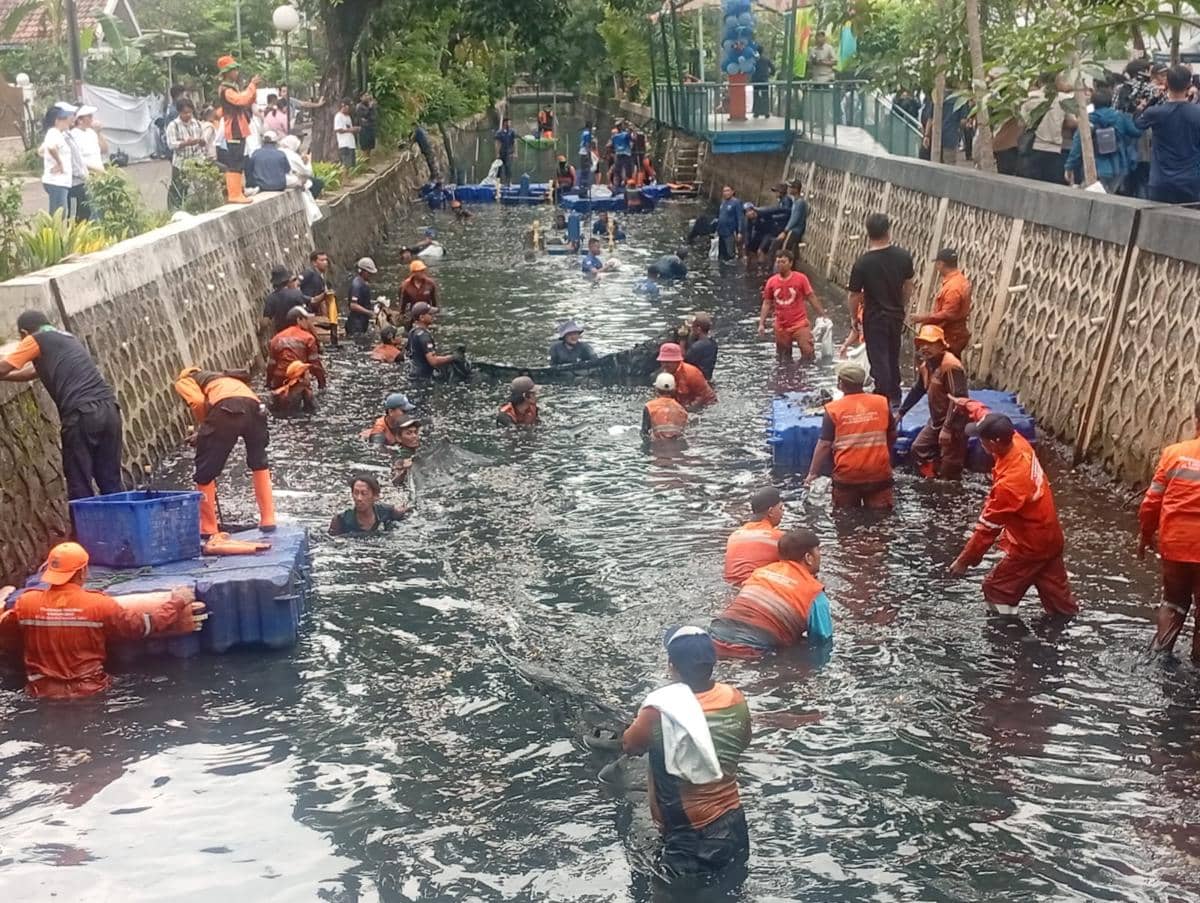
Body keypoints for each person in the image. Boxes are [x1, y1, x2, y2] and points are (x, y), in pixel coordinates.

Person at [619, 625, 752, 880]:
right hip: (735, 823)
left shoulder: (660, 710)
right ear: (712, 664)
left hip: (690, 838)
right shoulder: (735, 698)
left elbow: (630, 746)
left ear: (672, 666)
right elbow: (743, 741)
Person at [0, 544, 204, 699]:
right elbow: (143, 626)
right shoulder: (99, 604)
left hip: (41, 693)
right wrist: (178, 602)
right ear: (83, 572)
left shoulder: (25, 603)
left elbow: (7, 638)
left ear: (50, 571)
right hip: (90, 692)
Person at [949, 414, 1078, 617]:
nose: (979, 441)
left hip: (1030, 547)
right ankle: (1066, 628)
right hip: (1051, 538)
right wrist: (968, 405)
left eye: (982, 439)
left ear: (994, 443)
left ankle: (1008, 633)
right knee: (1060, 603)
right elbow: (985, 413)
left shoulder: (1010, 484)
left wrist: (964, 561)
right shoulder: (1017, 441)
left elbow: (988, 528)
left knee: (996, 589)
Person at [0, 309, 122, 499]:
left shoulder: (34, 339)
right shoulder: (67, 338)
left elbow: (4, 367)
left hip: (81, 414)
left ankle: (85, 519)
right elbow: (31, 373)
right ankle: (120, 518)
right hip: (110, 409)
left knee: (79, 482)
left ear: (24, 333)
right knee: (110, 481)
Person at [173, 366, 275, 535]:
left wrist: (204, 429)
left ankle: (208, 527)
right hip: (256, 408)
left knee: (205, 470)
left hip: (227, 408)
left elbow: (197, 402)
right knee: (259, 462)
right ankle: (268, 519)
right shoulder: (222, 379)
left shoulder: (184, 381)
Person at [1138, 400, 1200, 658]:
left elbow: (1151, 502)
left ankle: (1158, 657)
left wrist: (1145, 535)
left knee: (1173, 602)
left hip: (1175, 544)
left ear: (1196, 420)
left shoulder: (1174, 454)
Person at [710, 529, 834, 657]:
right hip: (754, 649)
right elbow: (822, 641)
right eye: (818, 551)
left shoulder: (760, 573)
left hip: (715, 637)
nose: (820, 556)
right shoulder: (814, 592)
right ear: (808, 558)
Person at [807, 361, 896, 508]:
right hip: (878, 473)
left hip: (848, 476)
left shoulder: (833, 409)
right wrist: (883, 454)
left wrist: (812, 474)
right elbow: (892, 434)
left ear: (840, 383)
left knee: (844, 516)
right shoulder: (882, 402)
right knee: (881, 516)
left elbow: (824, 445)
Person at [848, 213, 914, 408]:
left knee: (878, 358)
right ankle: (895, 395)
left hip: (875, 317)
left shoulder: (863, 263)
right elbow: (908, 285)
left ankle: (882, 397)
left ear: (867, 233)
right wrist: (902, 306)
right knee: (893, 355)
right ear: (888, 230)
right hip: (896, 315)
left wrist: (854, 318)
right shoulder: (903, 256)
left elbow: (854, 295)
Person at [898, 325, 968, 480]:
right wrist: (901, 413)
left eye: (930, 344)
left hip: (955, 423)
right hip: (936, 420)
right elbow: (918, 390)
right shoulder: (927, 365)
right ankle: (932, 476)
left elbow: (959, 399)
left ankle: (947, 481)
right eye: (922, 344)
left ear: (941, 346)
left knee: (950, 469)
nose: (925, 347)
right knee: (918, 448)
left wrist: (947, 428)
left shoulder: (950, 366)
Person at [1135, 64, 1200, 204]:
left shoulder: (1155, 113)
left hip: (1161, 181)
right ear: (1189, 84)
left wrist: (1152, 101)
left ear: (1166, 84)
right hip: (1192, 181)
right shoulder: (1197, 112)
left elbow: (1137, 123)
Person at [1065, 86, 1141, 193]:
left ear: (1093, 102)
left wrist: (1069, 166)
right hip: (1117, 167)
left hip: (1094, 167)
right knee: (1109, 196)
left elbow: (1077, 145)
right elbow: (1136, 132)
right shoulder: (1120, 117)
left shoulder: (1088, 119)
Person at [759, 249, 826, 361]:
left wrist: (823, 315)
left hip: (800, 323)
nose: (780, 265)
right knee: (783, 358)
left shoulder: (801, 278)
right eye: (778, 262)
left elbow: (811, 297)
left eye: (783, 262)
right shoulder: (771, 282)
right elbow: (767, 303)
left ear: (790, 263)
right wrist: (761, 323)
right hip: (781, 325)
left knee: (808, 352)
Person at [216, 55, 260, 203]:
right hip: (234, 128)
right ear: (227, 72)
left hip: (238, 128)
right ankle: (234, 194)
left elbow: (247, 100)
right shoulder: (227, 90)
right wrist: (251, 85)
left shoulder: (231, 88)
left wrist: (253, 88)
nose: (236, 72)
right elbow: (242, 100)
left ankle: (237, 192)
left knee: (238, 161)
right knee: (235, 162)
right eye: (234, 70)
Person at [913, 248, 971, 357]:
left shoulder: (953, 287)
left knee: (944, 364)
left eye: (937, 264)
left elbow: (948, 314)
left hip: (950, 335)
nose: (937, 268)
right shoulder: (961, 280)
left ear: (941, 264)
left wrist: (924, 318)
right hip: (956, 333)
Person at [1019, 72, 1075, 185]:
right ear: (1056, 82)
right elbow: (1071, 122)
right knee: (1052, 186)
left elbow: (1021, 123)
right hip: (1054, 150)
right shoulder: (1063, 99)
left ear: (1040, 81)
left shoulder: (1030, 97)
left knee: (1031, 185)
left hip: (1032, 146)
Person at [723, 487, 784, 586]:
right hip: (758, 587)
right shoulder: (778, 537)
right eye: (781, 508)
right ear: (771, 511)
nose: (783, 513)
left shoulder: (734, 536)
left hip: (731, 586)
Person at [267, 306, 327, 391]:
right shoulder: (308, 338)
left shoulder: (276, 339)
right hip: (298, 379)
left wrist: (268, 384)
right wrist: (322, 385)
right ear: (299, 320)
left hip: (279, 380)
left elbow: (271, 365)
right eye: (306, 319)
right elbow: (315, 364)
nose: (308, 322)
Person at [329, 474, 407, 535]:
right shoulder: (340, 520)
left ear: (376, 496)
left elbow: (406, 512)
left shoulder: (387, 512)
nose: (359, 498)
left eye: (364, 493)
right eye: (356, 493)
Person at [164, 99, 207, 209]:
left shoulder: (196, 123)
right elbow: (171, 144)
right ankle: (176, 209)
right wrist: (186, 143)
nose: (188, 115)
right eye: (185, 112)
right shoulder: (173, 126)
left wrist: (201, 142)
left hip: (197, 160)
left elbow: (203, 140)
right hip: (181, 162)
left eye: (190, 112)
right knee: (179, 188)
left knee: (200, 186)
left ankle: (201, 207)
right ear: (179, 112)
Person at [657, 342, 716, 408]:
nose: (665, 365)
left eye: (668, 362)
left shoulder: (692, 373)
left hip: (706, 404)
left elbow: (703, 396)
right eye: (663, 361)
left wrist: (687, 409)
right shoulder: (663, 374)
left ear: (677, 361)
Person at [407, 302, 456, 378]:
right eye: (430, 314)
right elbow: (433, 361)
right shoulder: (424, 336)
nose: (433, 316)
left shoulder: (412, 331)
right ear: (422, 317)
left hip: (413, 372)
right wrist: (453, 357)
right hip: (423, 377)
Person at [40, 104, 73, 215]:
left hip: (60, 181)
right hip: (56, 181)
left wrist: (49, 158)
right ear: (56, 121)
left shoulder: (57, 134)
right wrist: (59, 163)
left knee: (60, 212)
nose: (67, 120)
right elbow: (51, 147)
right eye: (64, 118)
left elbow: (41, 151)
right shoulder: (53, 132)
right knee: (58, 214)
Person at [261, 265, 307, 336]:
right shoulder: (297, 293)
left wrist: (260, 332)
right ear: (287, 280)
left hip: (282, 334)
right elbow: (305, 315)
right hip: (298, 331)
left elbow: (265, 322)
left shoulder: (271, 298)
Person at [641, 372, 688, 441]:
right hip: (677, 445)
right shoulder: (682, 410)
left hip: (656, 444)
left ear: (656, 389)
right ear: (674, 389)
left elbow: (644, 433)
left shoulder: (649, 406)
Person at [773, 179, 809, 256]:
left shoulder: (800, 203)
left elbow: (794, 219)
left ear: (796, 189)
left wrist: (785, 231)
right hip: (792, 230)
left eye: (791, 187)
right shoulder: (795, 201)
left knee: (784, 251)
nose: (789, 189)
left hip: (794, 231)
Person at [70, 105, 106, 175]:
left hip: (99, 173)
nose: (92, 119)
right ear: (80, 120)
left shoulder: (92, 132)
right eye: (89, 117)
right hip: (86, 175)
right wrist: (97, 169)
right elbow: (78, 159)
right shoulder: (73, 135)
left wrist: (98, 132)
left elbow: (104, 150)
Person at [346, 257, 378, 337]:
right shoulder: (357, 285)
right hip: (356, 324)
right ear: (362, 271)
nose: (370, 275)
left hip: (362, 322)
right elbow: (353, 305)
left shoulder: (363, 283)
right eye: (369, 273)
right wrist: (369, 312)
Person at [715, 185, 746, 262]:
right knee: (721, 254)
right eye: (724, 191)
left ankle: (732, 266)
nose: (726, 193)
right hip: (721, 231)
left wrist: (739, 232)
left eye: (728, 190)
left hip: (730, 232)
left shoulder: (736, 202)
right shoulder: (723, 202)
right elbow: (720, 217)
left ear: (732, 192)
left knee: (730, 254)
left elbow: (740, 217)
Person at [684, 312, 717, 381]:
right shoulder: (713, 343)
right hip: (707, 378)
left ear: (699, 329)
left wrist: (682, 340)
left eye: (693, 327)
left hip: (695, 380)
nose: (692, 330)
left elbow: (683, 363)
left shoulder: (696, 347)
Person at [334, 99, 360, 169]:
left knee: (351, 166)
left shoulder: (348, 117)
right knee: (346, 166)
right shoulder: (338, 116)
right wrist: (351, 130)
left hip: (351, 144)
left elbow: (349, 128)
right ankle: (345, 176)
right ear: (343, 106)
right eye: (348, 107)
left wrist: (355, 129)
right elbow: (338, 129)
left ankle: (349, 176)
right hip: (344, 144)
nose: (350, 109)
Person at [752, 48, 774, 118]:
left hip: (756, 80)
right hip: (764, 80)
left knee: (756, 96)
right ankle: (766, 112)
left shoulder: (754, 60)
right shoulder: (766, 60)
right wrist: (769, 74)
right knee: (765, 96)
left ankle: (756, 112)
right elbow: (773, 68)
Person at [494, 117, 516, 184]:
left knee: (508, 169)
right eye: (508, 123)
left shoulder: (512, 132)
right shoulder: (499, 132)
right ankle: (498, 183)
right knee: (499, 169)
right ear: (504, 123)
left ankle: (509, 183)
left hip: (509, 153)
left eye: (510, 123)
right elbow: (497, 143)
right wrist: (497, 153)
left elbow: (514, 142)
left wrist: (515, 152)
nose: (509, 124)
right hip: (501, 153)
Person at [578, 120, 596, 194]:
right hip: (585, 153)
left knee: (583, 169)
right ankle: (585, 186)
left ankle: (582, 185)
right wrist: (589, 154)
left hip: (582, 152)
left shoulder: (584, 133)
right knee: (586, 169)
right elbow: (587, 144)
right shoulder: (588, 134)